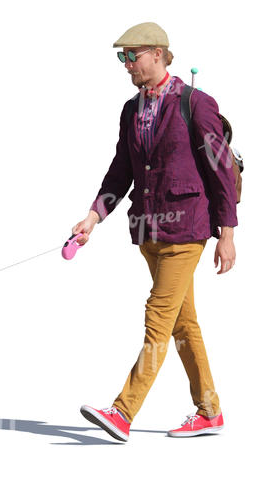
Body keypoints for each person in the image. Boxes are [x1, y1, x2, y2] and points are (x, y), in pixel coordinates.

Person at [73, 22, 237, 442]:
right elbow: (121, 170)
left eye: (133, 55)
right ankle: (209, 411)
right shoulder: (131, 109)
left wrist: (228, 232)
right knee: (184, 324)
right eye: (122, 58)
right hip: (148, 231)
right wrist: (93, 217)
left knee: (157, 319)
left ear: (160, 54)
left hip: (188, 229)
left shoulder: (196, 104)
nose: (127, 65)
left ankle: (123, 411)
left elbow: (220, 169)